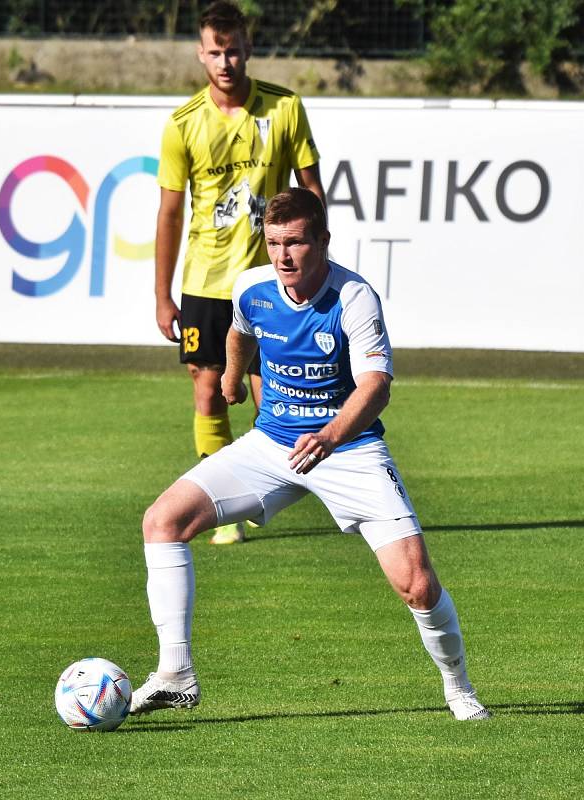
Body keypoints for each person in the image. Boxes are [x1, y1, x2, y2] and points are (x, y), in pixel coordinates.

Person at [130, 188, 490, 722]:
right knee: (162, 521)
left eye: (295, 242)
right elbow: (240, 331)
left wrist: (330, 437)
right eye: (273, 243)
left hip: (350, 450)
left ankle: (458, 688)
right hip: (271, 444)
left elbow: (376, 387)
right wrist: (232, 376)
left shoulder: (354, 297)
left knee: (416, 584)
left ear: (322, 240)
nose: (283, 256)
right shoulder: (253, 286)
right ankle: (176, 674)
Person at [154, 0, 326, 544]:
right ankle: (221, 507)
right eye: (214, 52)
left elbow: (311, 190)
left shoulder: (285, 108)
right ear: (200, 54)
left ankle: (257, 490)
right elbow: (170, 211)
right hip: (205, 279)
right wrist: (162, 295)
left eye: (232, 51)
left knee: (267, 390)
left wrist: (316, 255)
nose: (224, 62)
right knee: (208, 389)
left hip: (270, 276)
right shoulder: (183, 124)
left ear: (247, 49)